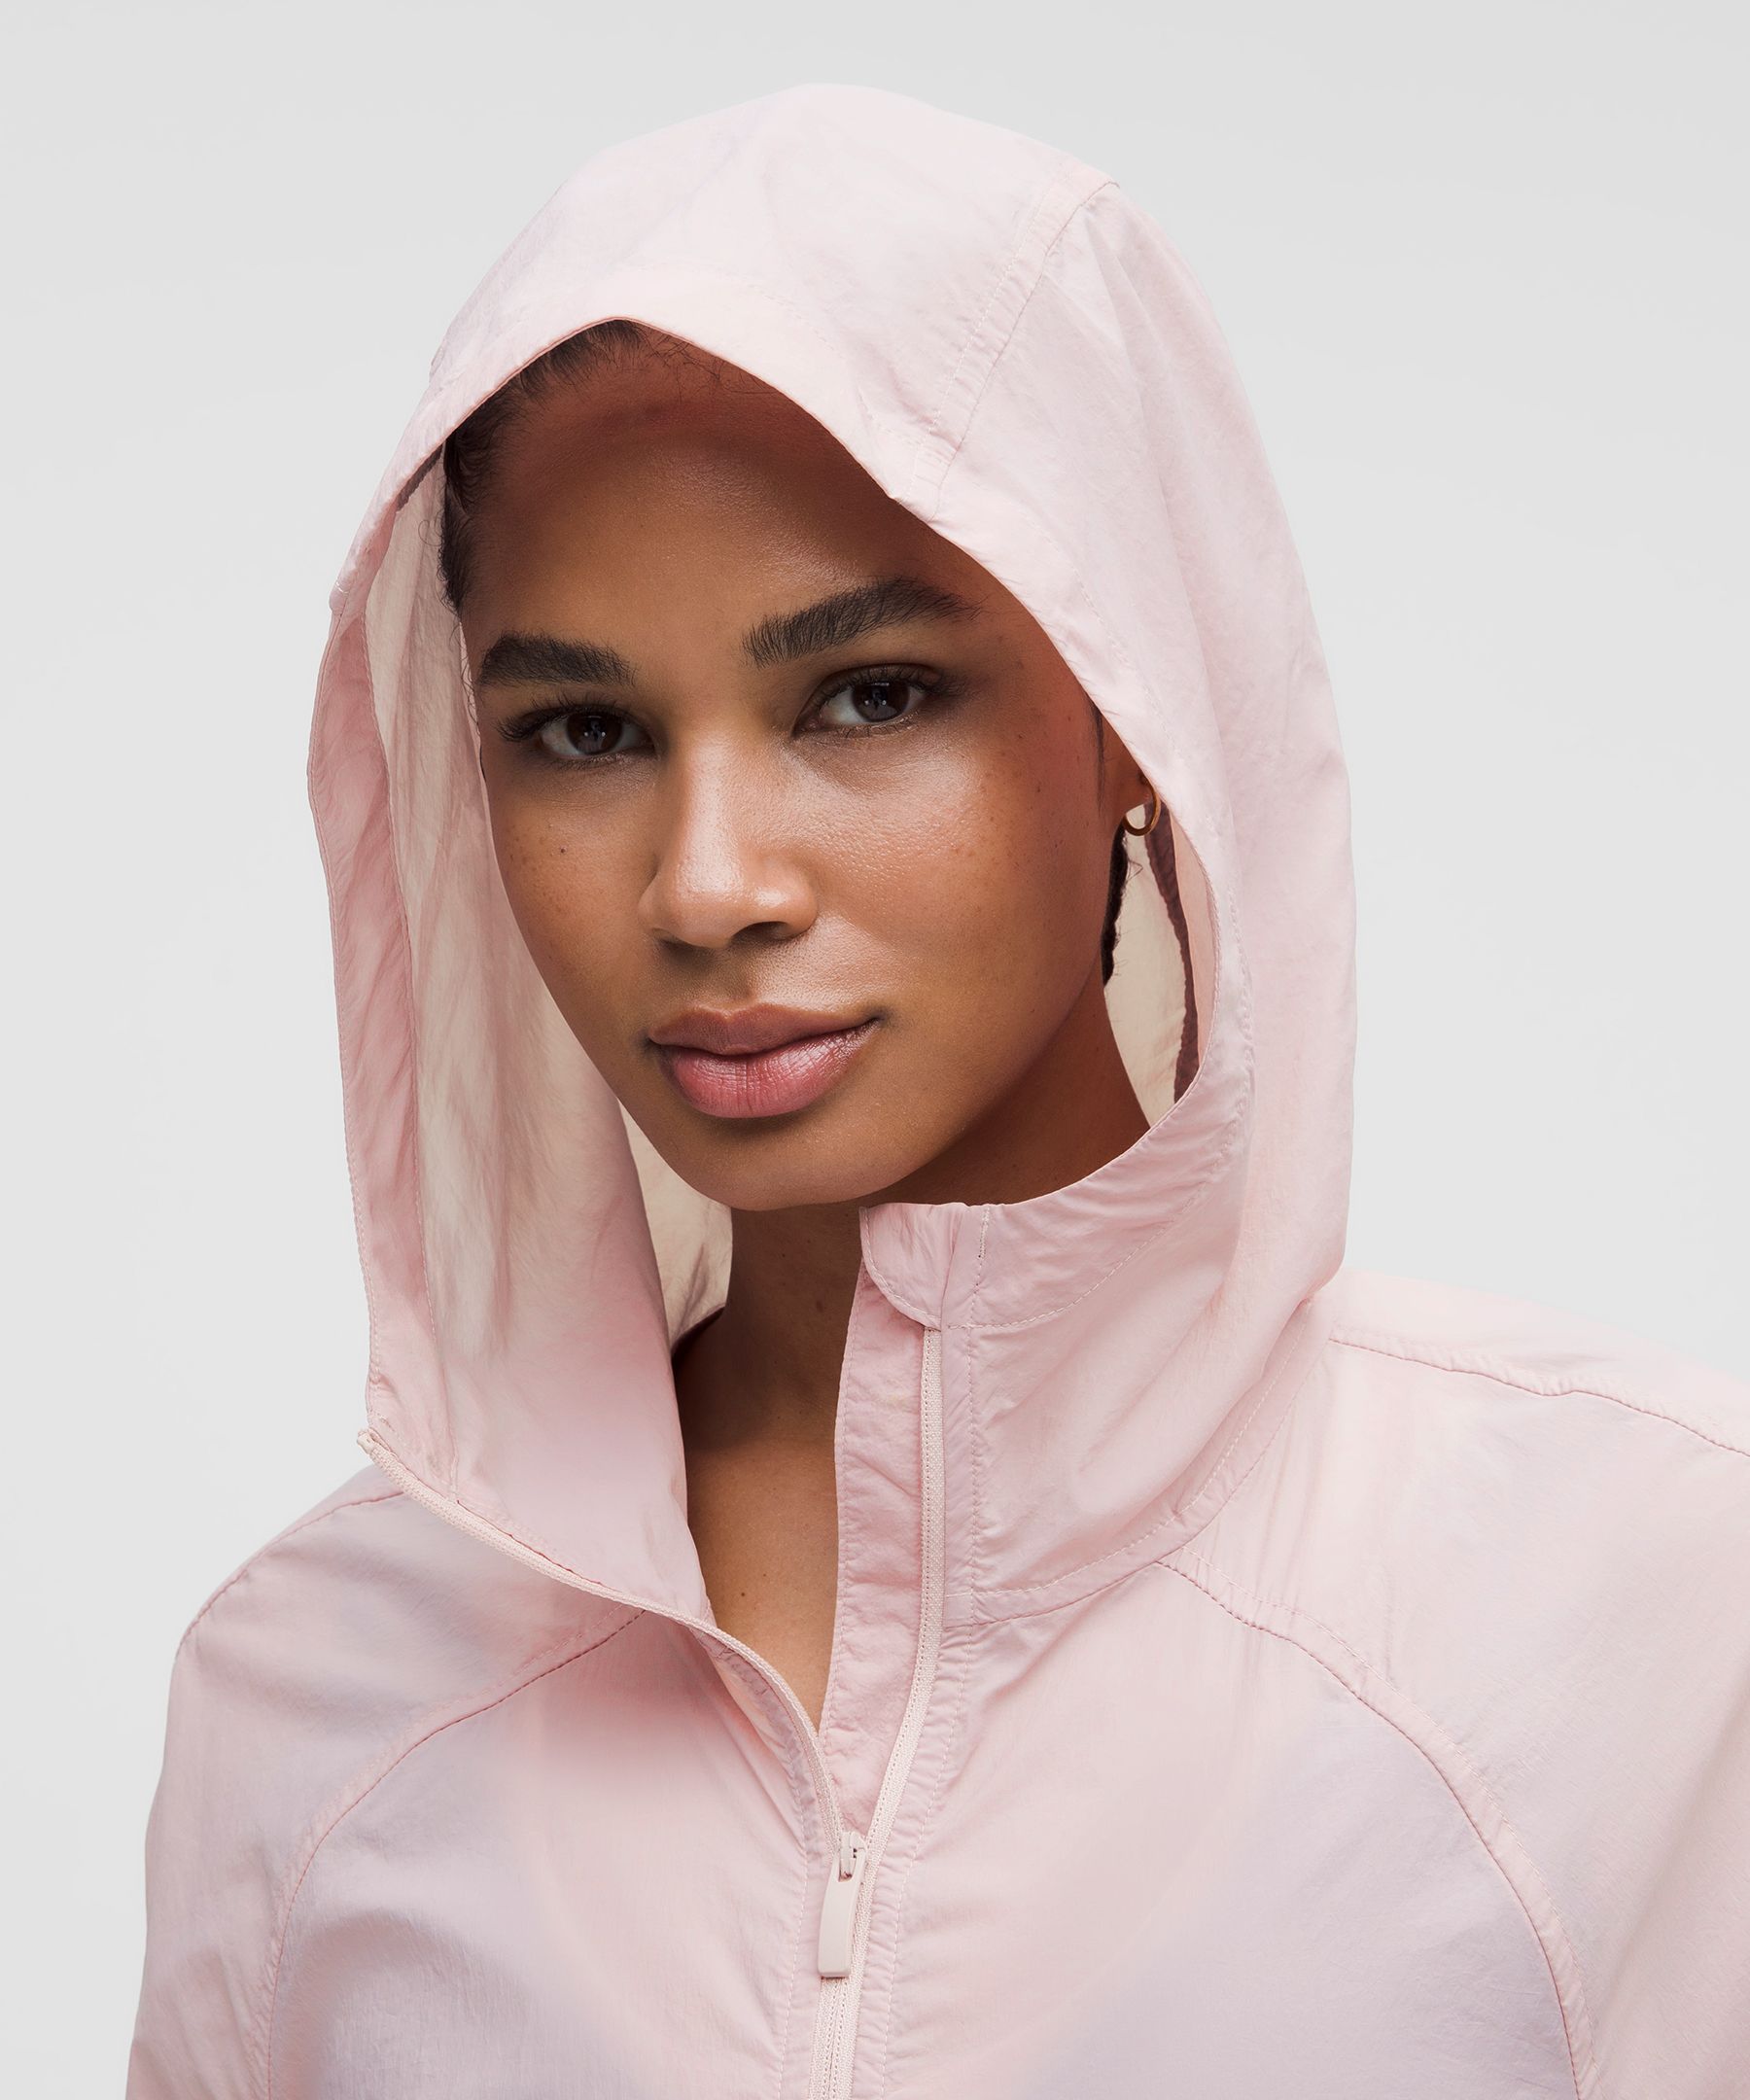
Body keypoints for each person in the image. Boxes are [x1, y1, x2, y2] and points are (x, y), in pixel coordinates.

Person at [127, 85, 1750, 2099]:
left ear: (1133, 709)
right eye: (584, 730)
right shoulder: (317, 1696)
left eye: (868, 694)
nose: (709, 884)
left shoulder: (1646, 1600)